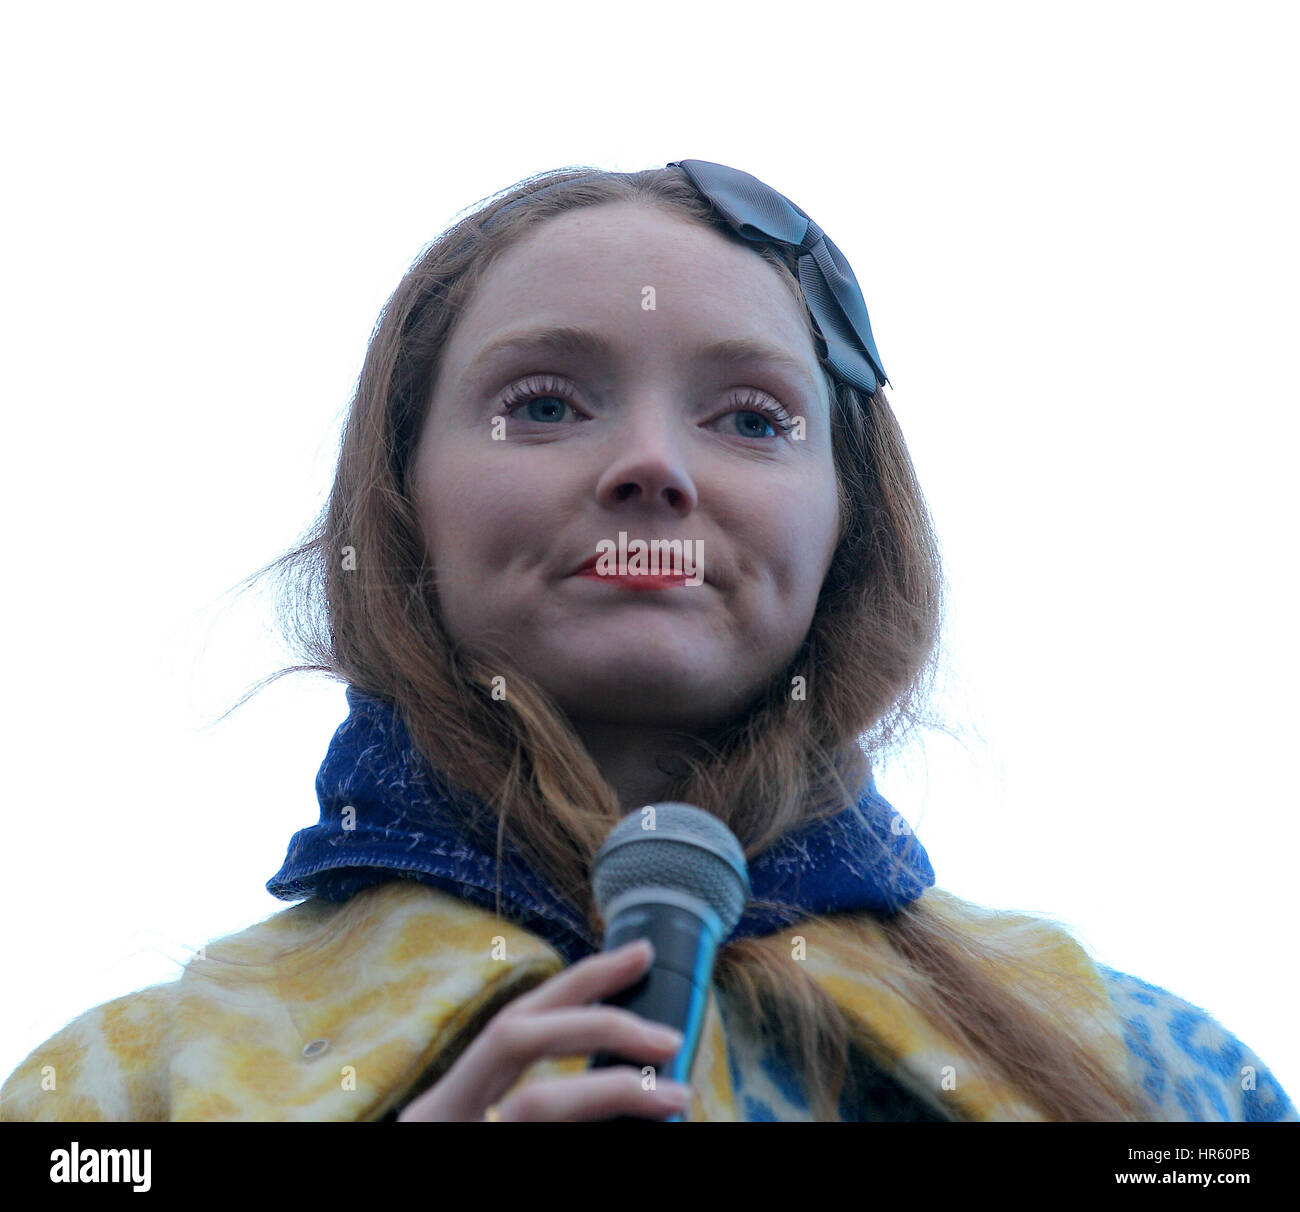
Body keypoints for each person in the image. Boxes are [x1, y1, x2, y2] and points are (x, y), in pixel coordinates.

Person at [2, 160, 1293, 1123]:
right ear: (400, 506)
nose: (652, 468)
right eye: (546, 402)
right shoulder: (115, 1099)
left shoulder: (1169, 1085)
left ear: (853, 527)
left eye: (749, 418)